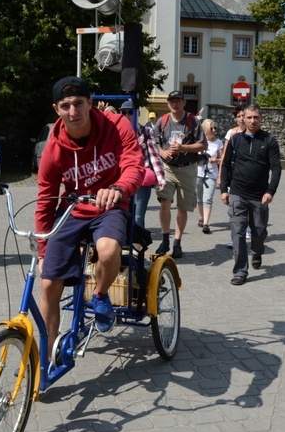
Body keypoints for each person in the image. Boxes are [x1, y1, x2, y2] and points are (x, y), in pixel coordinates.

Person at [36, 77, 144, 356]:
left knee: (108, 250)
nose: (73, 112)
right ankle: (46, 356)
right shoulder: (54, 149)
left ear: (90, 102)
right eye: (66, 105)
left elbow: (134, 165)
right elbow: (46, 200)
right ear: (56, 109)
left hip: (110, 206)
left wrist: (119, 188)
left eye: (79, 103)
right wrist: (42, 250)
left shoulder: (116, 125)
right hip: (73, 209)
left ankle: (99, 295)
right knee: (48, 283)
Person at [220, 104, 281, 285]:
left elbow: (276, 168)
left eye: (256, 117)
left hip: (259, 196)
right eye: (249, 117)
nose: (252, 120)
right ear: (243, 119)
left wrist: (270, 191)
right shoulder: (235, 140)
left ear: (261, 119)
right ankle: (240, 271)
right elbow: (225, 165)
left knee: (259, 232)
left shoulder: (269, 140)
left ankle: (257, 251)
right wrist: (224, 190)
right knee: (237, 232)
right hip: (238, 193)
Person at [153, 90, 207, 258]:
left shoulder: (192, 121)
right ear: (168, 104)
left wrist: (184, 148)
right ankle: (164, 239)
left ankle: (177, 242)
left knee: (183, 208)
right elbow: (153, 143)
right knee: (164, 202)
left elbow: (203, 145)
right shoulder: (162, 121)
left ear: (184, 103)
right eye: (171, 101)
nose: (174, 104)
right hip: (167, 167)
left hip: (187, 168)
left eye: (178, 101)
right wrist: (162, 152)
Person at [119, 100, 165, 229]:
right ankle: (122, 245)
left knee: (139, 216)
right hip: (122, 179)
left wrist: (160, 179)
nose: (127, 115)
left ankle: (137, 247)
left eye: (130, 112)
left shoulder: (145, 131)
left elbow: (154, 156)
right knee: (122, 215)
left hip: (141, 179)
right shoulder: (115, 132)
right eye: (124, 112)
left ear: (137, 113)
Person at [219, 106, 247, 248]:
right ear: (236, 118)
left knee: (247, 206)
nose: (242, 118)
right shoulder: (231, 133)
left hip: (248, 178)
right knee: (234, 207)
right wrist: (220, 176)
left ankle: (246, 228)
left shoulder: (252, 134)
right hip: (233, 175)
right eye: (239, 116)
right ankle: (235, 236)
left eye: (244, 115)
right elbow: (224, 156)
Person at [196, 119, 223, 234]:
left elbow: (223, 160)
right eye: (212, 128)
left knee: (208, 199)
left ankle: (206, 224)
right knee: (199, 198)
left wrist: (215, 160)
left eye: (215, 127)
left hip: (211, 174)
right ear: (205, 129)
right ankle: (201, 217)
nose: (214, 130)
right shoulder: (200, 142)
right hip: (198, 173)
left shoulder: (218, 143)